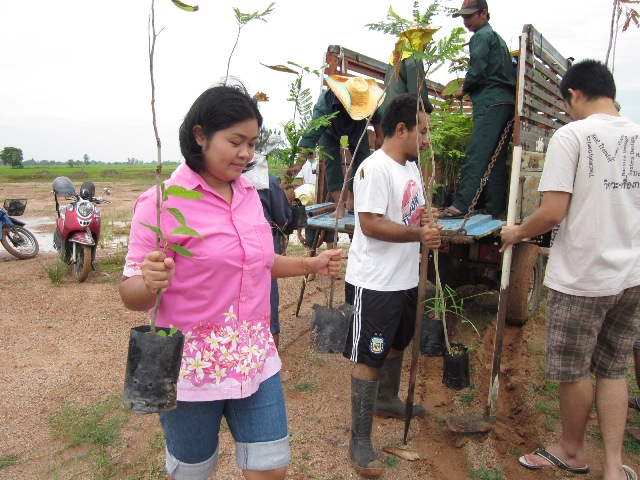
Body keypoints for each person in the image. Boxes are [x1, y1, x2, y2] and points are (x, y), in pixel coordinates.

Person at [119, 83, 343, 480]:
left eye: (252, 144)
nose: (246, 154)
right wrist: (149, 282)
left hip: (255, 360)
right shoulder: (162, 203)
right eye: (236, 142)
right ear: (200, 135)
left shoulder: (247, 194)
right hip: (192, 369)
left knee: (271, 469)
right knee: (193, 472)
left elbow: (259, 263)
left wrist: (311, 264)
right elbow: (131, 294)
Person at [501, 60, 640, 480]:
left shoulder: (572, 136)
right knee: (613, 369)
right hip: (631, 276)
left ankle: (572, 451)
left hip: (583, 276)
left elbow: (552, 212)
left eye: (567, 103)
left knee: (574, 369)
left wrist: (516, 232)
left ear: (574, 94)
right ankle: (613, 467)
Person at [343, 92, 443, 477]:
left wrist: (426, 221)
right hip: (375, 283)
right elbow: (369, 224)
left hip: (404, 279)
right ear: (401, 129)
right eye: (423, 131)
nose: (426, 139)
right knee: (370, 357)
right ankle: (359, 439)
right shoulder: (374, 169)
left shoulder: (411, 167)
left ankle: (387, 399)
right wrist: (418, 235)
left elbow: (412, 213)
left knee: (398, 341)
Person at [440, 0, 516, 219]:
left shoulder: (480, 37)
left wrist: (462, 89)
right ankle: (494, 208)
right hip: (505, 103)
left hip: (490, 102)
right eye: (463, 17)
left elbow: (478, 70)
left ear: (484, 13)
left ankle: (461, 205)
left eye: (469, 16)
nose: (465, 21)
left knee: (476, 153)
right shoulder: (498, 39)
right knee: (496, 158)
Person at [291, 75, 384, 219]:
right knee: (332, 163)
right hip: (329, 130)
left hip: (357, 126)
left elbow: (377, 118)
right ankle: (339, 205)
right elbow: (310, 135)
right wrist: (298, 164)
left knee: (363, 162)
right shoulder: (325, 105)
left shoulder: (367, 100)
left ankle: (352, 200)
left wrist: (379, 136)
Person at [243, 145, 294, 349]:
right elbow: (283, 219)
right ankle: (271, 354)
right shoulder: (269, 182)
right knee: (267, 302)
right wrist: (288, 200)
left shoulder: (224, 180)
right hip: (263, 253)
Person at [379, 25, 436, 117]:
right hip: (401, 114)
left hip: (388, 113)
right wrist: (427, 112)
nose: (426, 45)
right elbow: (418, 94)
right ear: (421, 39)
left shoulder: (396, 55)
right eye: (427, 41)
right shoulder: (413, 59)